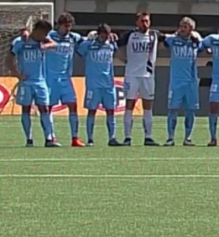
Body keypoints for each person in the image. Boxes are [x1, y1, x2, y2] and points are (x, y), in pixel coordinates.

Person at [6, 20, 58, 147]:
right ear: (37, 30)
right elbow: (9, 59)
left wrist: (44, 46)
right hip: (26, 82)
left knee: (44, 108)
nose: (45, 36)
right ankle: (29, 139)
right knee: (26, 109)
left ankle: (49, 139)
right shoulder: (20, 42)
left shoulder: (42, 41)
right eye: (44, 33)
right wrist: (17, 74)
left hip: (40, 81)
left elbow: (54, 44)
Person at [118, 12, 160, 146]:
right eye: (142, 21)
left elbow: (174, 37)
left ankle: (148, 137)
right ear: (137, 22)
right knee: (129, 106)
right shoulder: (129, 35)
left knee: (147, 107)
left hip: (148, 75)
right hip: (132, 75)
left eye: (147, 21)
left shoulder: (155, 35)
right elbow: (114, 46)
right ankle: (128, 137)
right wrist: (123, 59)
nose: (145, 24)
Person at [77, 24, 121, 147]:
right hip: (93, 84)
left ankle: (112, 138)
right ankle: (90, 139)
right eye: (103, 34)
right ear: (98, 34)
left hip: (108, 84)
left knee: (111, 111)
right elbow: (79, 51)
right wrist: (87, 40)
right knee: (92, 111)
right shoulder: (89, 45)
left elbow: (116, 51)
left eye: (107, 34)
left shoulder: (111, 44)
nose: (105, 37)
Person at [45, 13, 83, 147]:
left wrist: (95, 34)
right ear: (59, 25)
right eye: (66, 26)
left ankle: (75, 138)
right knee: (48, 108)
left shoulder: (73, 37)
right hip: (50, 78)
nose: (68, 29)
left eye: (70, 26)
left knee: (73, 105)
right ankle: (50, 137)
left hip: (66, 78)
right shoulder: (50, 36)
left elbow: (88, 40)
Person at [163, 17, 202, 146]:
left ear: (191, 29)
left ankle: (188, 138)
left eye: (185, 26)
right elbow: (163, 39)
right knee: (172, 109)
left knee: (190, 110)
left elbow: (204, 45)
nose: (182, 29)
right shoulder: (173, 40)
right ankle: (170, 137)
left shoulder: (196, 41)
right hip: (176, 81)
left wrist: (195, 36)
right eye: (181, 26)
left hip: (191, 81)